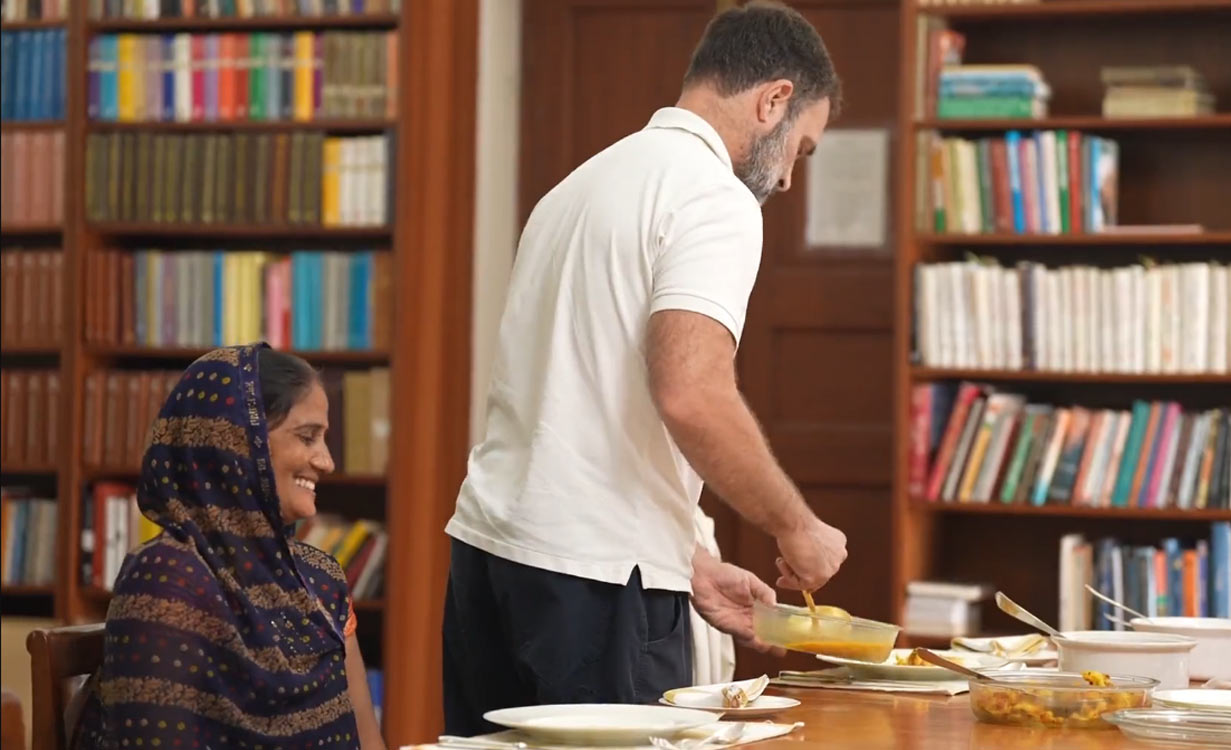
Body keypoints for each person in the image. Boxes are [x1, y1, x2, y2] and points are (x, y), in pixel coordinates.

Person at [442, 0, 848, 735]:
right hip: (596, 590)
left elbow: (575, 406)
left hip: (491, 558)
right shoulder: (716, 196)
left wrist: (681, 556)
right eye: (803, 148)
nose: (790, 177)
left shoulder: (580, 186)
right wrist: (798, 526)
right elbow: (690, 392)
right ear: (775, 100)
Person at [72, 344, 385, 750]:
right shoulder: (167, 580)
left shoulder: (321, 580)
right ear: (239, 444)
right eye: (307, 437)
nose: (326, 461)